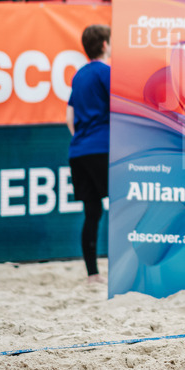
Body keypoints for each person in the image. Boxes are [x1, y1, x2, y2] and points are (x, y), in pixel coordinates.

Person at [67, 23, 111, 284]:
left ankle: (92, 274)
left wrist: (83, 139)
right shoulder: (106, 72)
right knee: (125, 204)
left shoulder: (79, 75)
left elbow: (69, 118)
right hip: (101, 148)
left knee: (92, 212)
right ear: (105, 44)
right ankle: (129, 268)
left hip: (78, 151)